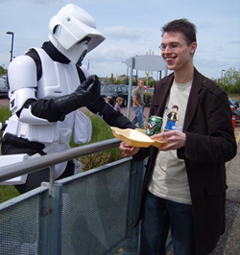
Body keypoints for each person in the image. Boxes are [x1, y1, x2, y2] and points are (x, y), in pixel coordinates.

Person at [120, 18, 237, 255]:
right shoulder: (162, 87)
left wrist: (188, 140)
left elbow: (227, 147)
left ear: (192, 47)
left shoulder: (213, 94)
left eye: (174, 45)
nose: (166, 51)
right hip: (154, 192)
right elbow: (154, 134)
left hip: (189, 199)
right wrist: (137, 148)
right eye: (163, 46)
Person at [1, 4, 135, 194]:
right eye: (82, 38)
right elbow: (25, 110)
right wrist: (74, 100)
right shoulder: (27, 63)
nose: (85, 46)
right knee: (45, 206)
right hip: (24, 149)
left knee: (69, 211)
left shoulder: (79, 71)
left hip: (60, 151)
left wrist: (131, 129)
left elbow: (102, 109)